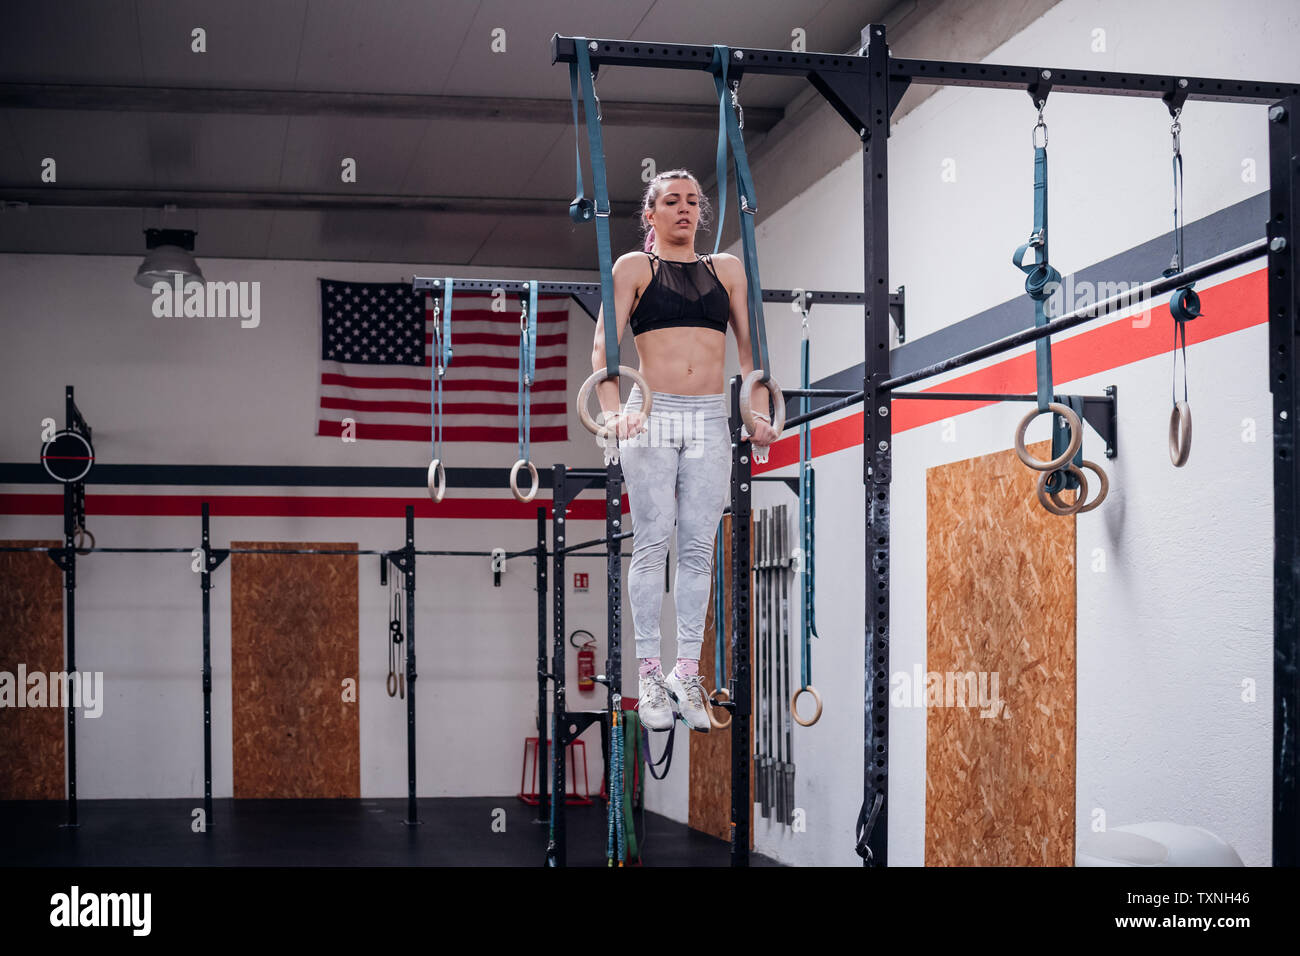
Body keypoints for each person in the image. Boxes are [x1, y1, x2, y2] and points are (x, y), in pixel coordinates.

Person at [588, 168, 778, 733]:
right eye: (671, 201)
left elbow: (753, 353)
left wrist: (760, 410)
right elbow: (606, 342)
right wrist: (613, 407)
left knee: (699, 545)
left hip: (707, 417)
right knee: (653, 540)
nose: (685, 210)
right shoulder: (632, 268)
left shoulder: (728, 270)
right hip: (651, 410)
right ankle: (648, 674)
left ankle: (684, 671)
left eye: (694, 202)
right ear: (650, 214)